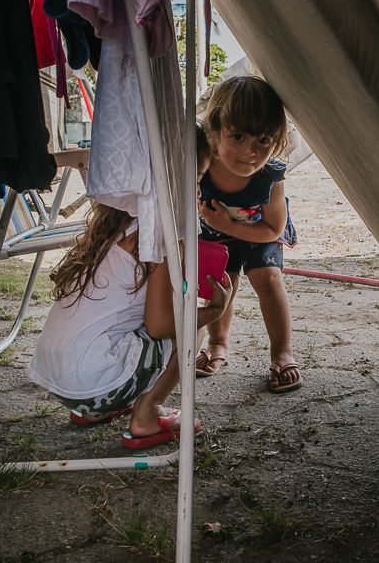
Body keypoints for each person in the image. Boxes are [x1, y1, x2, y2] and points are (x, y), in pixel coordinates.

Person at [28, 128, 230, 448]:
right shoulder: (158, 233)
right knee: (192, 328)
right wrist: (215, 310)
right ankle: (146, 417)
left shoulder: (117, 221)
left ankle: (96, 412)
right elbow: (161, 325)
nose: (197, 192)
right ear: (170, 180)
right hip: (95, 383)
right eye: (194, 180)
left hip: (60, 379)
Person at [194, 75, 302, 393]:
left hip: (259, 231)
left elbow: (273, 229)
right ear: (214, 132)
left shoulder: (270, 175)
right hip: (214, 231)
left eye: (263, 141)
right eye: (238, 137)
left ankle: (282, 352)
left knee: (268, 279)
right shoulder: (201, 164)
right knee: (221, 285)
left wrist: (228, 226)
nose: (250, 152)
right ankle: (217, 344)